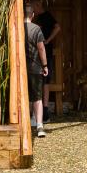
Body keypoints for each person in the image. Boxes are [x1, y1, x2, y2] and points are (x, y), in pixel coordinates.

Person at [25, 10, 49, 138]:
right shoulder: (36, 29)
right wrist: (45, 65)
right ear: (32, 15)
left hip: (21, 70)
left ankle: (26, 123)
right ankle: (39, 125)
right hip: (35, 68)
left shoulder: (17, 27)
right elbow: (41, 48)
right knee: (37, 98)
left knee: (26, 97)